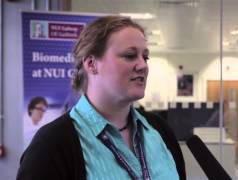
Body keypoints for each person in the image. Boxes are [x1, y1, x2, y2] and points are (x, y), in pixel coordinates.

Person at [17, 16, 185, 180]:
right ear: (91, 64)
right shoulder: (52, 144)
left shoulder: (159, 130)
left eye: (145, 57)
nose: (143, 66)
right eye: (130, 55)